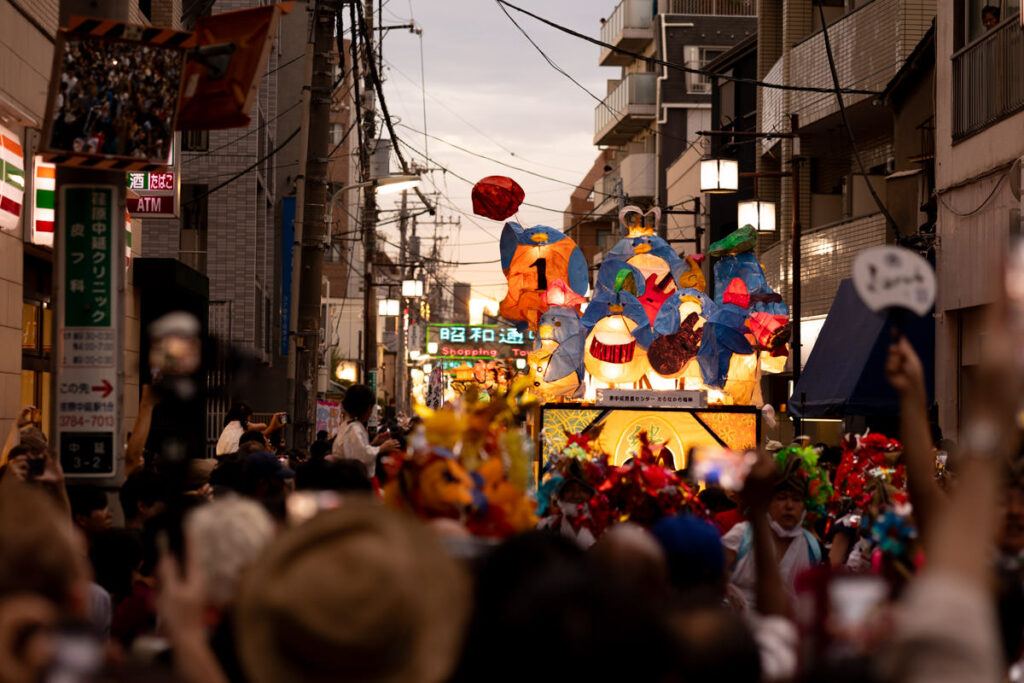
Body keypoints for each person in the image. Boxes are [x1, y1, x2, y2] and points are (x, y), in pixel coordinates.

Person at [722, 448, 824, 609]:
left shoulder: (811, 547)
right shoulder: (742, 535)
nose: (789, 506)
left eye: (796, 500)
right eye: (781, 498)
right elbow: (713, 580)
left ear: (806, 506)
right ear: (767, 501)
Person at [330, 385, 398, 478]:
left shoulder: (348, 424)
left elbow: (355, 450)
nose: (371, 412)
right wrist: (381, 448)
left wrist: (374, 442)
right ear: (365, 407)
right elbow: (361, 456)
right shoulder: (354, 428)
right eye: (371, 407)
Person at [215, 404, 284, 456]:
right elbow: (262, 428)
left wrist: (271, 427)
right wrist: (272, 426)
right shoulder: (239, 429)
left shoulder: (230, 427)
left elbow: (260, 431)